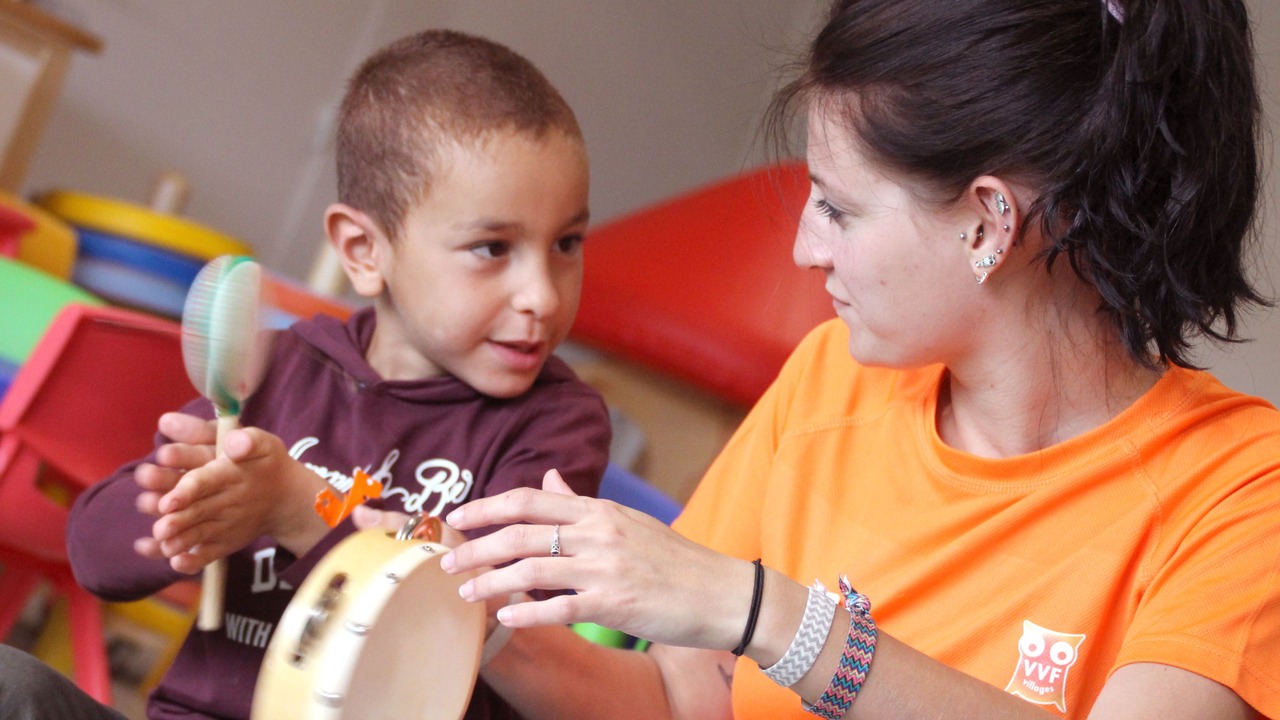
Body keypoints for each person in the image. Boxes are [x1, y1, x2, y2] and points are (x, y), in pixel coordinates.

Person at [433, 1, 1280, 718]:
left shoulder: (1246, 496)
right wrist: (477, 622)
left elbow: (751, 619)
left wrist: (768, 613)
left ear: (986, 224)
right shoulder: (833, 374)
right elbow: (680, 696)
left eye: (838, 208)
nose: (805, 247)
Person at [0, 28, 609, 720]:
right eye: (492, 248)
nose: (543, 294)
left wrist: (304, 509)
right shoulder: (281, 369)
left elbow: (467, 614)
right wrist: (182, 504)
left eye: (566, 243)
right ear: (364, 250)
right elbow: (96, 559)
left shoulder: (558, 426)